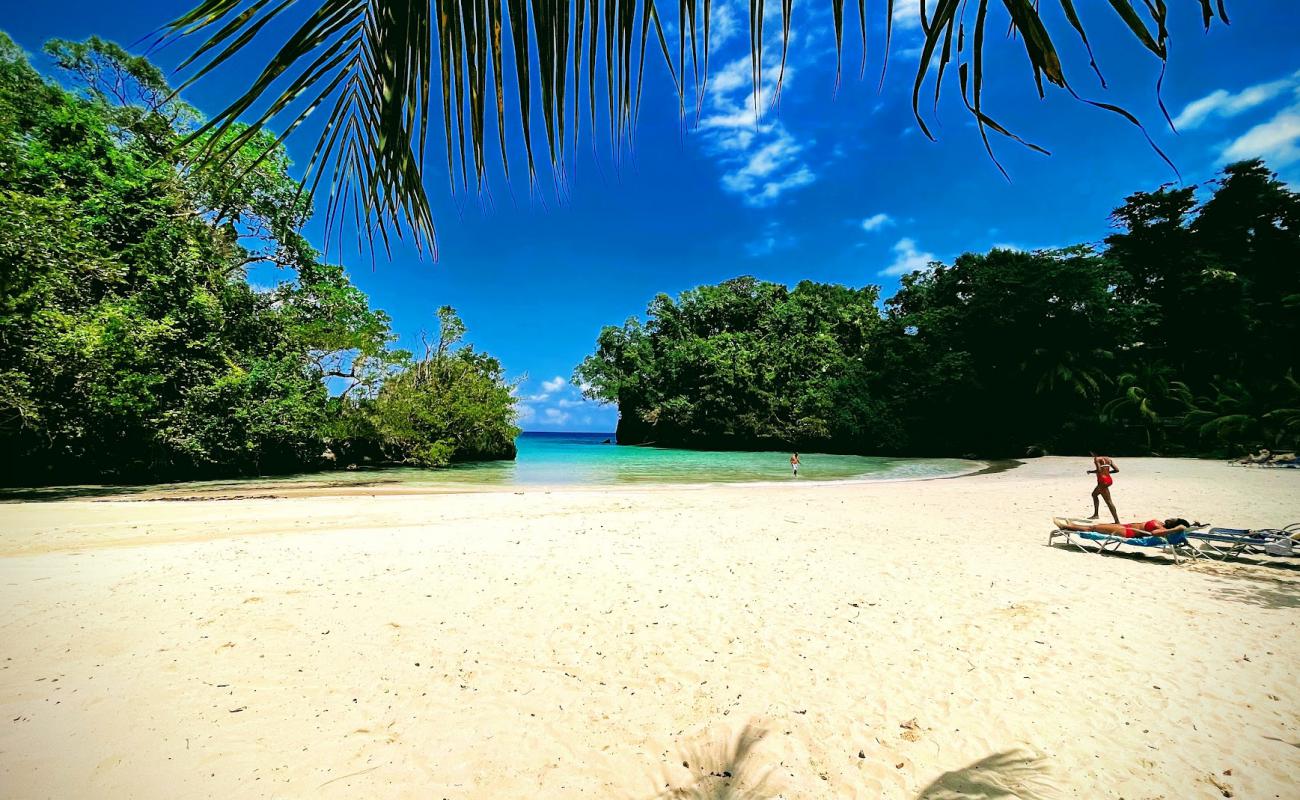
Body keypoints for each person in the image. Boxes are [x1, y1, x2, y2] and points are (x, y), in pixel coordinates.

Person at [1054, 517, 1193, 539]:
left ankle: (1066, 526)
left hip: (1128, 532)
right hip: (1127, 526)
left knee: (1094, 528)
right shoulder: (1162, 523)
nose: (1171, 518)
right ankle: (1071, 525)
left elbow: (1155, 533)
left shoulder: (1162, 528)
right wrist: (1195, 526)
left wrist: (1177, 529)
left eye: (1174, 520)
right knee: (1095, 526)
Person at [1087, 452, 1120, 523]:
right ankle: (1096, 514)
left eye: (1091, 453)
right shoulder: (1108, 459)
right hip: (1108, 479)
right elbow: (1117, 470)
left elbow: (1099, 470)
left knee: (1109, 502)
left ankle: (1117, 521)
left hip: (1102, 481)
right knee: (1094, 494)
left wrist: (1091, 471)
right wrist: (1107, 473)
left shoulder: (1097, 459)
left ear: (1094, 452)